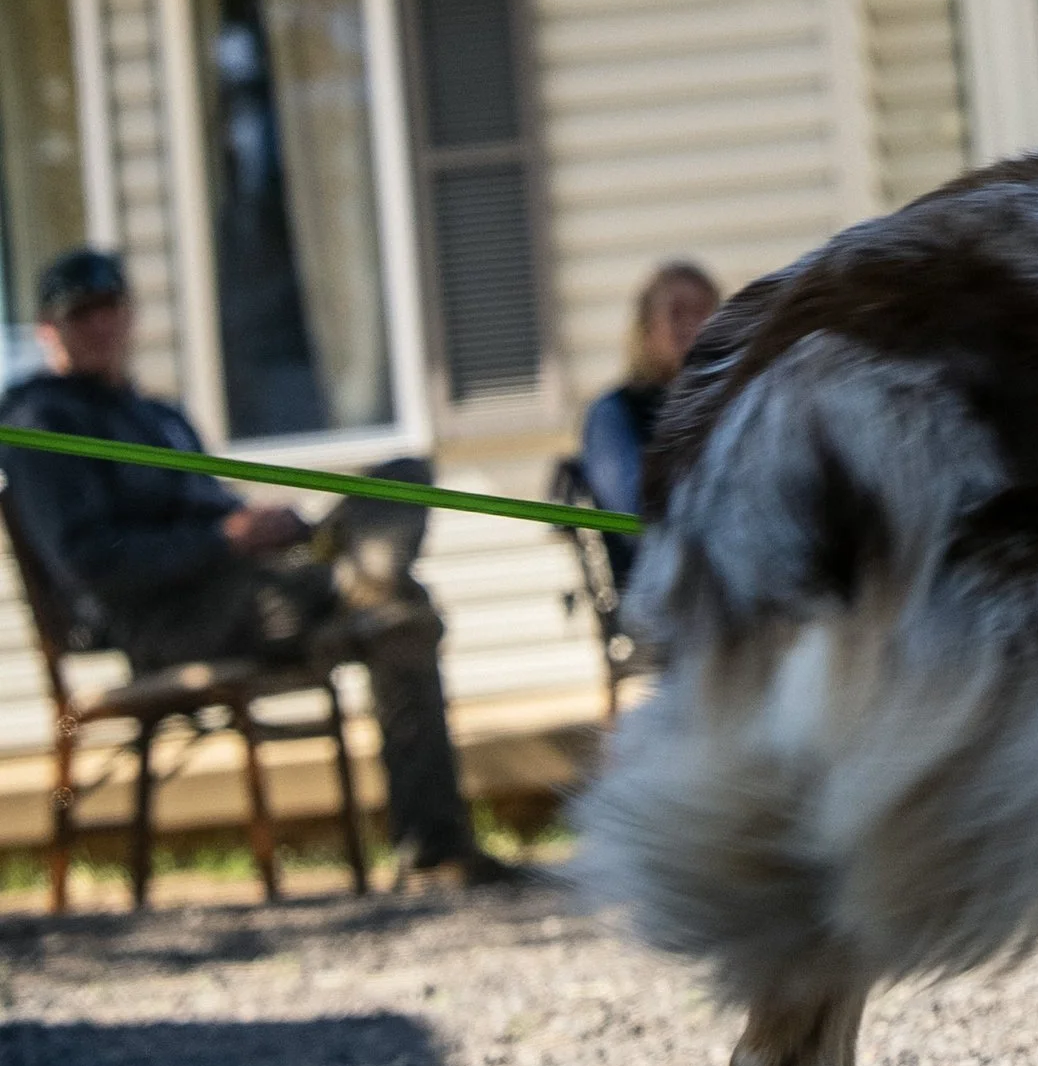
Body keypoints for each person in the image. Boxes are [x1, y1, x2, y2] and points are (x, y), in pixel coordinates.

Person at [0, 247, 504, 886]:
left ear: (129, 316)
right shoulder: (41, 421)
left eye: (109, 310)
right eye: (81, 315)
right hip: (166, 619)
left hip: (253, 589)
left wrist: (263, 526)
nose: (99, 326)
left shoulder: (160, 416)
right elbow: (88, 563)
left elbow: (217, 506)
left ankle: (358, 574)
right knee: (399, 608)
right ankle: (436, 846)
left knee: (403, 484)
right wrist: (224, 542)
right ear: (50, 330)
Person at [577, 260, 721, 598]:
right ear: (646, 329)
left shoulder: (741, 398)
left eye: (703, 311)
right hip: (666, 599)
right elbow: (638, 513)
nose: (692, 325)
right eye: (676, 312)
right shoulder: (613, 413)